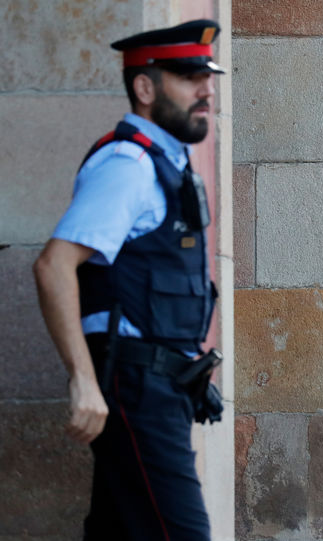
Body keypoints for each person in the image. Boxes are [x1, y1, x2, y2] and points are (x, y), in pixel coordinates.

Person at [32, 19, 226, 541]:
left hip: (162, 385)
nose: (206, 90)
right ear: (145, 88)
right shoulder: (129, 163)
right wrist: (84, 380)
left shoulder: (168, 162)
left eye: (207, 77)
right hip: (137, 387)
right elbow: (53, 266)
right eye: (188, 77)